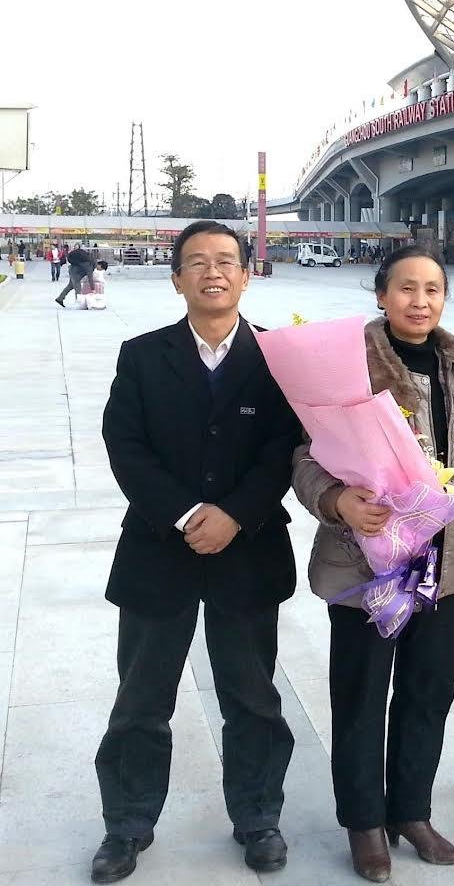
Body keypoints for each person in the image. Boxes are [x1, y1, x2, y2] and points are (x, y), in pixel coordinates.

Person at [292, 245, 454, 882]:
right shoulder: (346, 369)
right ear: (381, 295)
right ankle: (364, 822)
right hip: (369, 568)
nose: (420, 301)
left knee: (428, 693)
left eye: (432, 290)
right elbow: (307, 455)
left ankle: (411, 811)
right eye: (406, 288)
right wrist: (338, 501)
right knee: (361, 696)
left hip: (444, 566)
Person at [92, 220, 301, 883]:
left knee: (253, 697)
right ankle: (126, 824)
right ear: (177, 278)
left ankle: (258, 816)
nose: (213, 272)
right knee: (141, 700)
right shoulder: (141, 355)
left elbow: (286, 448)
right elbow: (125, 445)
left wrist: (235, 514)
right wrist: (186, 514)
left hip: (247, 549)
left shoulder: (280, 356)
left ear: (246, 274)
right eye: (198, 262)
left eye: (226, 261)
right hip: (160, 549)